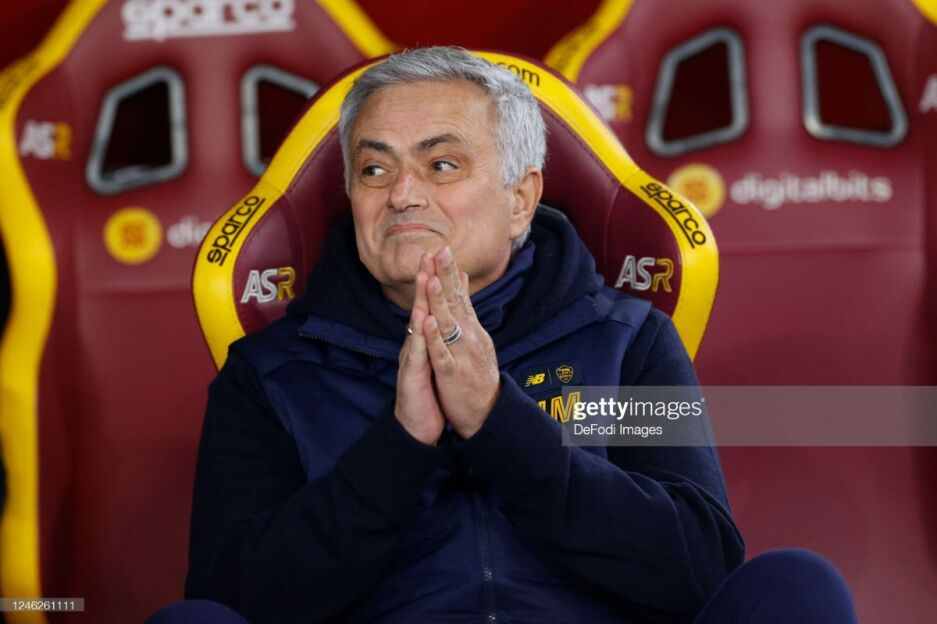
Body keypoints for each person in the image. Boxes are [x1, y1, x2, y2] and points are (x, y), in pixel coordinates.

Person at [176, 47, 857, 623]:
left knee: (796, 586)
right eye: (374, 169)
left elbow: (698, 567)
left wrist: (498, 422)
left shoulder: (626, 342)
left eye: (442, 165)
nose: (402, 194)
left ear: (521, 200)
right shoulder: (270, 372)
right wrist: (399, 446)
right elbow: (230, 597)